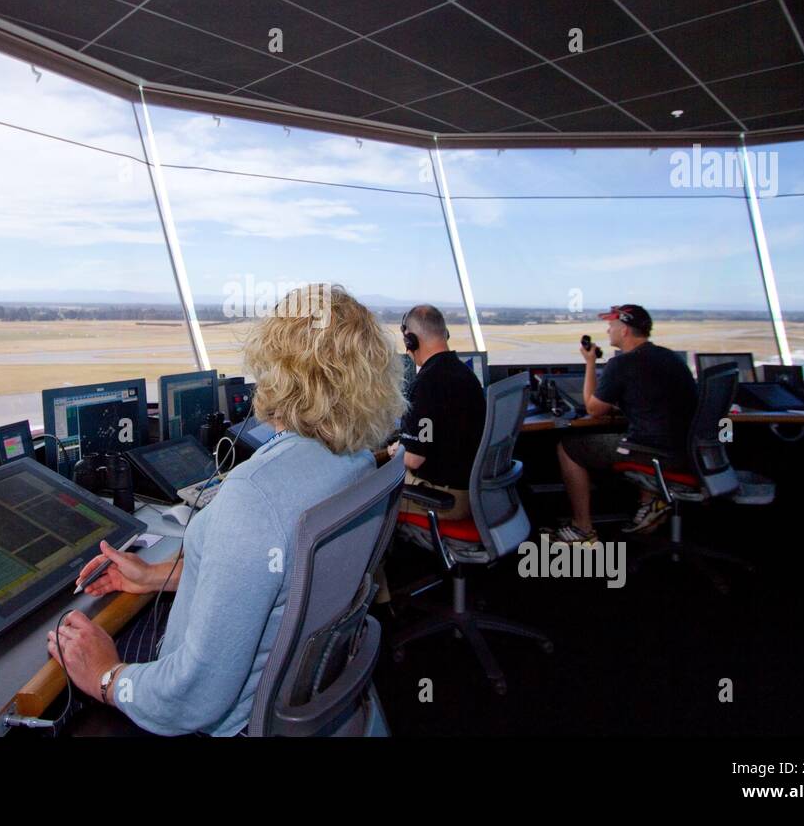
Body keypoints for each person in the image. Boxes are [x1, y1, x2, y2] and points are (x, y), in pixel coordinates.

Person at [48, 284, 404, 736]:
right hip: (296, 690)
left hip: (218, 718)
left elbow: (195, 695)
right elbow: (279, 578)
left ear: (277, 372)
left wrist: (105, 676)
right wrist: (154, 576)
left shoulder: (256, 496)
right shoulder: (354, 462)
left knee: (60, 680)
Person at [548, 304, 697, 544]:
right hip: (687, 453)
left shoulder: (622, 364)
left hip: (655, 454)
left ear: (625, 330)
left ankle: (582, 529)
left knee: (568, 447)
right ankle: (649, 502)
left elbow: (593, 409)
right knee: (637, 433)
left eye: (611, 326)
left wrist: (589, 363)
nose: (608, 331)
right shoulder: (670, 358)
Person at [387, 304, 487, 520]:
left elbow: (413, 459)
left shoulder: (427, 383)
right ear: (445, 334)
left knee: (368, 503)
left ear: (410, 341)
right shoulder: (465, 374)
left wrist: (394, 450)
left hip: (445, 499)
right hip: (473, 492)